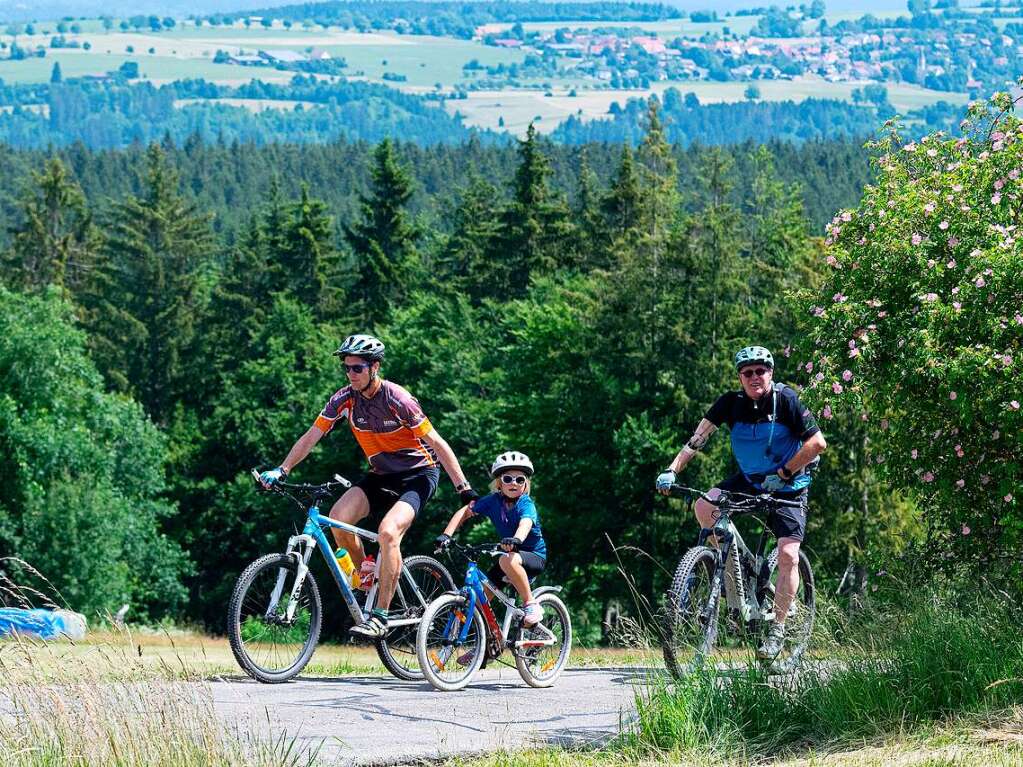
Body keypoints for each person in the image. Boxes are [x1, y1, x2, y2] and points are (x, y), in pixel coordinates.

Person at [259, 334, 478, 639]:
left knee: (388, 532)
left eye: (357, 368)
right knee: (338, 520)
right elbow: (312, 435)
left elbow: (438, 444)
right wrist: (282, 469)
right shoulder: (344, 399)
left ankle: (381, 615)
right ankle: (367, 574)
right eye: (346, 368)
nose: (351, 374)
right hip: (381, 475)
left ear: (375, 367)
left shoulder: (398, 400)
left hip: (418, 475)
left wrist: (463, 489)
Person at [655, 345, 827, 660]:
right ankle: (732, 575)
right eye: (747, 373)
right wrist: (671, 469)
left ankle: (777, 628)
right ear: (740, 378)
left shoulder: (786, 400)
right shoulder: (729, 404)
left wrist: (786, 471)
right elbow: (696, 440)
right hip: (749, 480)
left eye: (760, 371)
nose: (754, 377)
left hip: (790, 485)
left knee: (788, 555)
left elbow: (817, 443)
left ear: (770, 373)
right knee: (705, 506)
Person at [435, 451, 547, 627]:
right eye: (508, 478)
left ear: (525, 485)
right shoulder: (493, 501)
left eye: (520, 480)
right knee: (480, 600)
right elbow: (466, 511)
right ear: (498, 484)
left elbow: (525, 524)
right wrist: (446, 535)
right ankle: (487, 646)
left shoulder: (526, 504)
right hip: (508, 557)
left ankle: (531, 604)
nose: (514, 483)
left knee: (507, 559)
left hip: (533, 556)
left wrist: (516, 539)